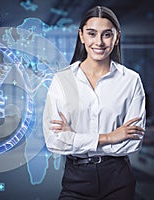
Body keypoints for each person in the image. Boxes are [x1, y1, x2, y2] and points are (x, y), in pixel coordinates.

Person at [43, 6, 146, 200]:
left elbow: (132, 144)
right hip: (76, 179)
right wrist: (109, 137)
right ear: (81, 35)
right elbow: (54, 141)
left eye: (107, 34)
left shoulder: (131, 80)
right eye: (92, 34)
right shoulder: (62, 80)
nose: (99, 42)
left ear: (116, 38)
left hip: (118, 178)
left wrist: (74, 138)